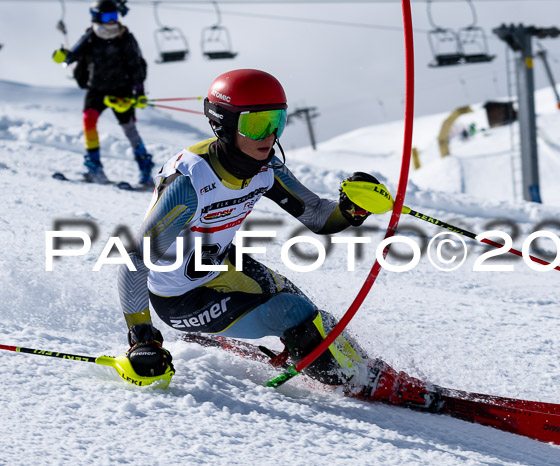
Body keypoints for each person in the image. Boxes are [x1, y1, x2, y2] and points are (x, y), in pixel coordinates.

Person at [116, 69, 431, 408]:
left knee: (306, 310)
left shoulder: (266, 168)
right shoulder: (190, 184)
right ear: (224, 124)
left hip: (218, 265)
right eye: (256, 125)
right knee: (293, 313)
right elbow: (134, 260)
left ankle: (364, 369)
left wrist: (351, 208)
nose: (269, 135)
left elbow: (317, 217)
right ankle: (356, 382)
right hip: (179, 298)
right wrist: (142, 337)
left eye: (276, 121)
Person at [52, 0, 153, 185]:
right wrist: (63, 56)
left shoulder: (124, 37)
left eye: (115, 16)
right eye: (108, 17)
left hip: (121, 90)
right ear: (97, 17)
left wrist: (138, 91)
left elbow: (136, 64)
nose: (112, 21)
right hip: (96, 88)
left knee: (129, 128)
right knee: (89, 119)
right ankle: (94, 166)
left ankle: (144, 166)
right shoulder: (91, 36)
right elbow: (74, 53)